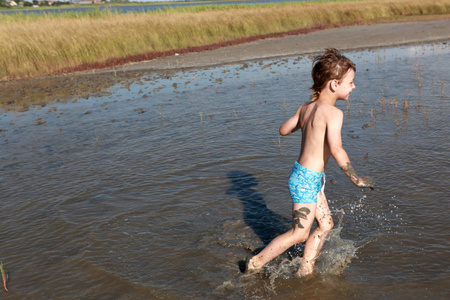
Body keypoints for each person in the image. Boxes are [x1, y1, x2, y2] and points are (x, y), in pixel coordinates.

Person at [246, 48, 375, 277]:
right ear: (334, 85)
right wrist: (356, 179)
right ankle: (256, 262)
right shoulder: (334, 114)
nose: (353, 87)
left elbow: (283, 130)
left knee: (326, 225)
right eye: (351, 82)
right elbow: (337, 149)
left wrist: (305, 122)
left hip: (308, 177)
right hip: (306, 180)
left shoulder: (305, 108)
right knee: (299, 234)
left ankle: (306, 269)